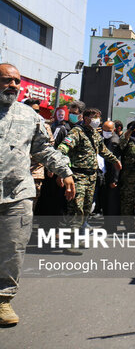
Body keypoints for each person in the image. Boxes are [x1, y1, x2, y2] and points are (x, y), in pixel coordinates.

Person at [0, 63, 75, 326]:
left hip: (17, 193)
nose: (12, 85)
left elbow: (44, 149)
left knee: (13, 248)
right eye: (6, 80)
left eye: (16, 81)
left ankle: (3, 300)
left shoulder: (30, 116)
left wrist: (65, 171)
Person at [58, 107, 122, 253]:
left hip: (91, 177)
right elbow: (63, 148)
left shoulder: (94, 133)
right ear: (86, 118)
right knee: (76, 208)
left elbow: (103, 150)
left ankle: (78, 238)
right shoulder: (76, 132)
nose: (97, 120)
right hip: (78, 176)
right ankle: (70, 243)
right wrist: (61, 171)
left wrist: (114, 161)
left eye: (99, 117)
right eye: (95, 117)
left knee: (86, 209)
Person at [100, 120, 122, 232]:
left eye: (108, 130)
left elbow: (116, 161)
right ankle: (107, 223)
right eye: (104, 129)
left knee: (111, 202)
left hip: (111, 176)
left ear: (113, 130)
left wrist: (114, 179)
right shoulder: (105, 139)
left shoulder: (114, 141)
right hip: (106, 174)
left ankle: (111, 225)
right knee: (106, 201)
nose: (106, 132)